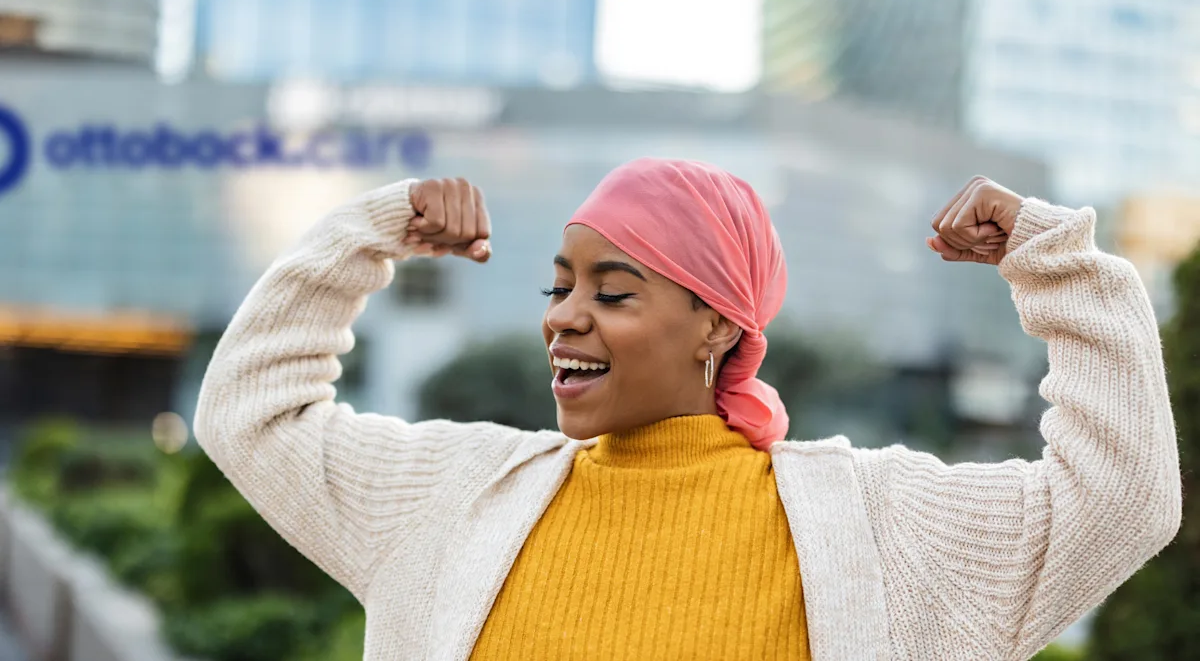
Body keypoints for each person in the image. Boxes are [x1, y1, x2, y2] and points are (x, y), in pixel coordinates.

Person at [193, 158, 1181, 660]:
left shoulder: (878, 528)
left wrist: (1057, 262)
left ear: (716, 327)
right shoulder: (452, 497)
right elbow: (254, 413)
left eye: (613, 292)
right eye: (559, 288)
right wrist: (366, 235)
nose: (565, 320)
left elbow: (1122, 498)